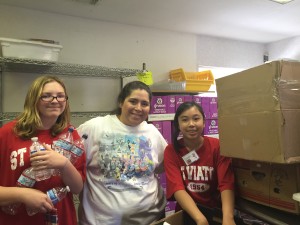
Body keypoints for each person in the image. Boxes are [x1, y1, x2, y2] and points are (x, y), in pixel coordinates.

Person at [77, 80, 167, 225]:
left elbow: (163, 165)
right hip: (101, 221)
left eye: (144, 104)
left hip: (150, 219)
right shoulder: (94, 127)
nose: (138, 108)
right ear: (121, 102)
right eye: (133, 101)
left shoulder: (152, 132)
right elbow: (73, 164)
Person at [0, 75, 86, 225]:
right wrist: (22, 194)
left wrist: (64, 164)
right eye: (46, 96)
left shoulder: (71, 135)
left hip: (60, 219)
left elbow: (77, 188)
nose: (55, 101)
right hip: (17, 220)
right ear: (34, 99)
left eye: (60, 96)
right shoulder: (8, 133)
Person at [164, 101, 236, 225]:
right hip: (187, 213)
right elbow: (177, 188)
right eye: (185, 120)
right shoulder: (171, 151)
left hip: (215, 212)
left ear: (203, 122)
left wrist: (228, 218)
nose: (191, 124)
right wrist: (200, 219)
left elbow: (226, 183)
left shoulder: (217, 147)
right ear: (178, 124)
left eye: (196, 119)